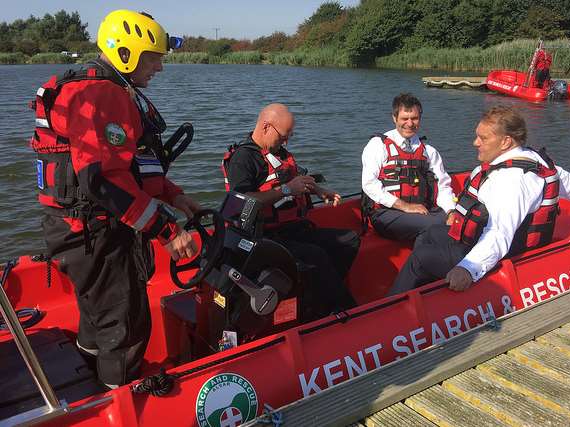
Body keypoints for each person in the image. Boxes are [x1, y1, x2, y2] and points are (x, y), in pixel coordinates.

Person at [31, 10, 200, 388]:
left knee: (99, 320)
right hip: (96, 232)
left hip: (86, 229)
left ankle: (89, 381)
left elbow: (131, 164)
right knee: (123, 329)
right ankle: (119, 398)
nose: (159, 67)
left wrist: (175, 196)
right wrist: (168, 230)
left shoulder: (106, 87)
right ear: (126, 53)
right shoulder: (101, 93)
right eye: (153, 58)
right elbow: (104, 182)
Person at [388, 105, 570, 296]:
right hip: (477, 237)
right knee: (431, 233)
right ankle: (434, 290)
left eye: (483, 138)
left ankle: (394, 310)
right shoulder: (534, 160)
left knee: (421, 258)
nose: (475, 143)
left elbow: (499, 233)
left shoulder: (511, 182)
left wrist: (468, 269)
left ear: (506, 141)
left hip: (503, 252)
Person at [222, 103, 359, 317]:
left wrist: (320, 191)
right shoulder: (243, 159)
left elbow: (296, 179)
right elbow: (242, 203)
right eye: (284, 136)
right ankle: (343, 308)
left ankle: (319, 301)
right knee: (315, 254)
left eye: (289, 137)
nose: (286, 142)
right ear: (266, 127)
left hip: (292, 229)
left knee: (349, 240)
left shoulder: (278, 152)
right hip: (262, 238)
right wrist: (286, 190)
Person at [361, 93, 456, 245]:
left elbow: (443, 185)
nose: (410, 124)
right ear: (394, 118)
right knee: (432, 226)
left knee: (458, 223)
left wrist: (451, 211)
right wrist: (404, 206)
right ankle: (418, 267)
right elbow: (369, 184)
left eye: (415, 118)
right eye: (405, 119)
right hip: (386, 213)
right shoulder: (378, 145)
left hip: (423, 210)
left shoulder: (429, 151)